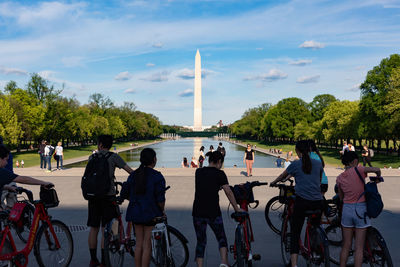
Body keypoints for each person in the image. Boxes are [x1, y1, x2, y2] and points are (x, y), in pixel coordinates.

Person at [270, 140, 323, 267]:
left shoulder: (295, 164)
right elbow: (319, 181)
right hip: (318, 202)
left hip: (302, 202)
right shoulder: (318, 163)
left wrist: (273, 182)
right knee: (315, 226)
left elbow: (283, 176)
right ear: (310, 150)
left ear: (298, 151)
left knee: (295, 233)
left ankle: (294, 264)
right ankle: (316, 250)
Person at [86, 135, 133, 267]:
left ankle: (93, 259)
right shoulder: (113, 157)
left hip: (93, 196)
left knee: (94, 228)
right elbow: (130, 171)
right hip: (108, 196)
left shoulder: (92, 157)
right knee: (110, 226)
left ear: (100, 145)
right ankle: (109, 252)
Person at [192, 151, 242, 267]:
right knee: (221, 237)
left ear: (209, 160)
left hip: (198, 212)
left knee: (201, 241)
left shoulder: (198, 172)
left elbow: (206, 185)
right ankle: (224, 262)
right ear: (219, 162)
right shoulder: (220, 174)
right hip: (213, 211)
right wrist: (236, 208)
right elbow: (228, 192)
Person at [121, 148, 166, 267]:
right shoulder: (157, 176)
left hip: (135, 212)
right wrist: (161, 211)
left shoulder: (134, 175)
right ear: (154, 160)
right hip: (150, 213)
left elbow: (127, 193)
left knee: (139, 243)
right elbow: (160, 200)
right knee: (147, 244)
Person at [336, 151, 381, 267]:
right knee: (359, 248)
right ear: (355, 161)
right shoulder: (359, 170)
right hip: (360, 210)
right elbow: (376, 169)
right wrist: (377, 177)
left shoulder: (339, 178)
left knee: (346, 245)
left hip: (347, 210)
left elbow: (341, 197)